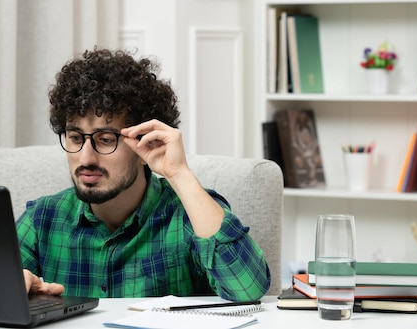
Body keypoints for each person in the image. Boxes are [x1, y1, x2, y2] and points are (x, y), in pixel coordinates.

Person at [16, 47, 271, 301]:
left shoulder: (187, 216)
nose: (86, 158)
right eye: (74, 138)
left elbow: (248, 288)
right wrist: (14, 285)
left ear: (144, 144)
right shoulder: (42, 220)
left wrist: (179, 173)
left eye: (105, 140)